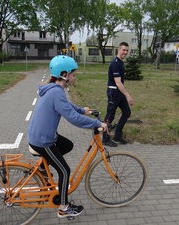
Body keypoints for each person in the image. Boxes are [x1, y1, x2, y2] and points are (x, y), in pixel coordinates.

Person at [27, 55, 107, 219]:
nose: (75, 77)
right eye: (74, 74)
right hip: (43, 141)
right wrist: (96, 123)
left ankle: (42, 169)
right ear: (64, 74)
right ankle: (63, 207)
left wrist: (84, 110)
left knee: (67, 145)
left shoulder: (54, 89)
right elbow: (73, 118)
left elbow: (68, 107)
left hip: (41, 136)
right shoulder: (56, 92)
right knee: (64, 170)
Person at [102, 42, 134, 147]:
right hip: (113, 92)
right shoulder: (115, 64)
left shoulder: (120, 63)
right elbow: (118, 82)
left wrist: (124, 95)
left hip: (119, 93)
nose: (125, 52)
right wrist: (128, 96)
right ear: (118, 50)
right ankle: (105, 139)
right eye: (123, 50)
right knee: (110, 116)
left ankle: (117, 135)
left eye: (126, 50)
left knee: (126, 112)